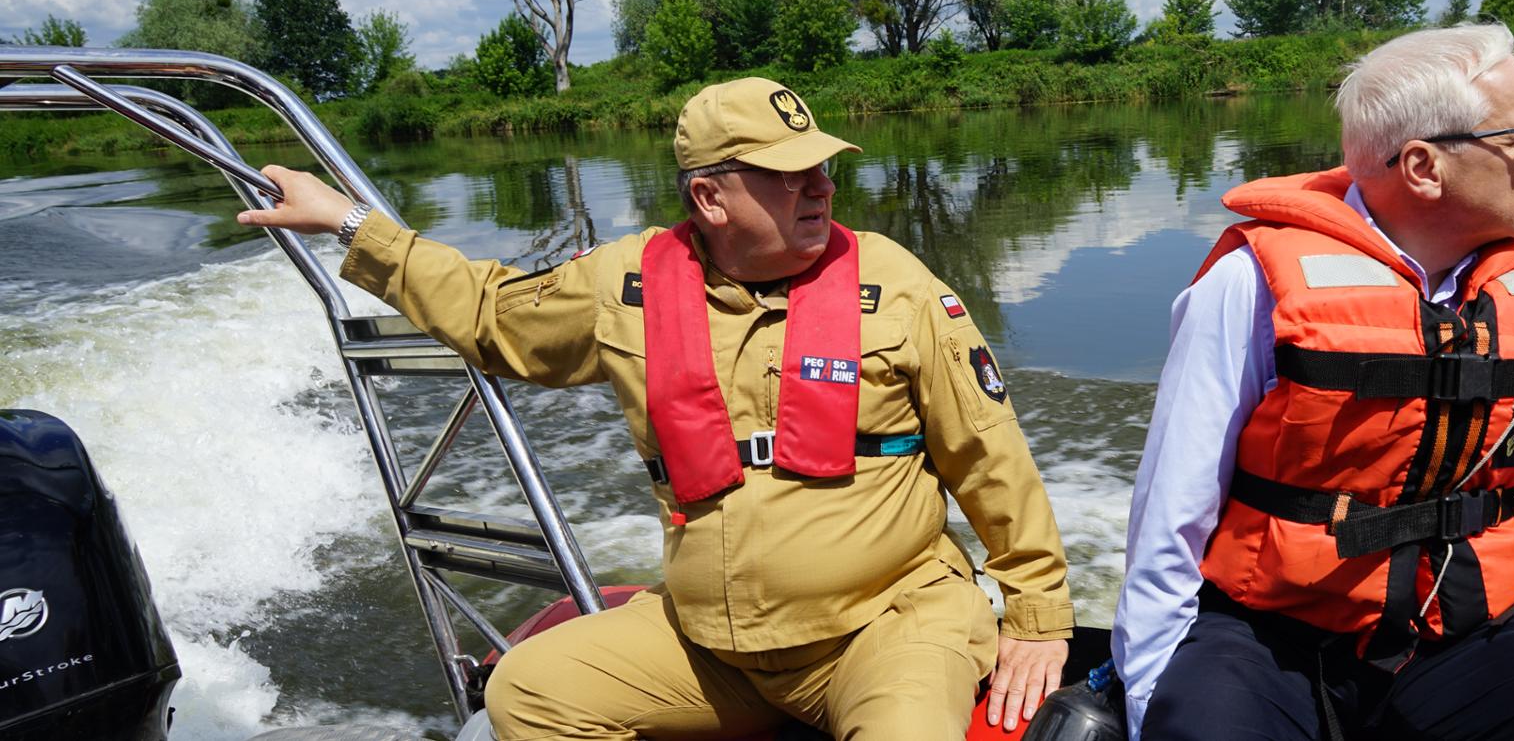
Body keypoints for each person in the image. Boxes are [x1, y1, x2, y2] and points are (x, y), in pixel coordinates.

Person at [236, 77, 1074, 740]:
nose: (820, 186)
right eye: (789, 174)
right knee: (528, 695)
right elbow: (494, 315)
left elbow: (990, 454)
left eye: (823, 166)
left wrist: (1038, 616)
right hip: (714, 651)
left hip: (882, 632)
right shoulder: (628, 284)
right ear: (711, 199)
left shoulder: (899, 285)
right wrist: (350, 223)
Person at [1110, 25, 1514, 741]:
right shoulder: (1249, 288)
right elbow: (1169, 519)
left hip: (1473, 635)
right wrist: (1151, 702)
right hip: (1267, 640)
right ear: (1425, 167)